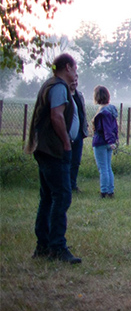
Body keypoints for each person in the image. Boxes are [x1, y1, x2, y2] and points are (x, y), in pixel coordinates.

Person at [25, 52, 82, 263]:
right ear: (67, 67)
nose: (76, 72)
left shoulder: (52, 85)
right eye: (75, 68)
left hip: (46, 149)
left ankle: (43, 246)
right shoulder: (58, 87)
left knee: (48, 197)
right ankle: (56, 247)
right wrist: (67, 143)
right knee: (62, 197)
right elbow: (56, 116)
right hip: (54, 150)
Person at [91, 85, 118, 199]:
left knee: (103, 168)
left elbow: (106, 128)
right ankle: (110, 190)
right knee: (108, 167)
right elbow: (114, 127)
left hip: (101, 142)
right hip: (108, 142)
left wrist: (110, 141)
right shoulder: (111, 109)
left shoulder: (103, 111)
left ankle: (104, 191)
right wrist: (114, 140)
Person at [68, 80, 87, 193]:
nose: (74, 82)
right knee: (66, 160)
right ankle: (65, 184)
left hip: (79, 133)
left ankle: (72, 184)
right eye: (72, 80)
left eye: (76, 80)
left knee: (75, 161)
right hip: (67, 133)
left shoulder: (79, 95)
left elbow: (82, 113)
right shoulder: (64, 94)